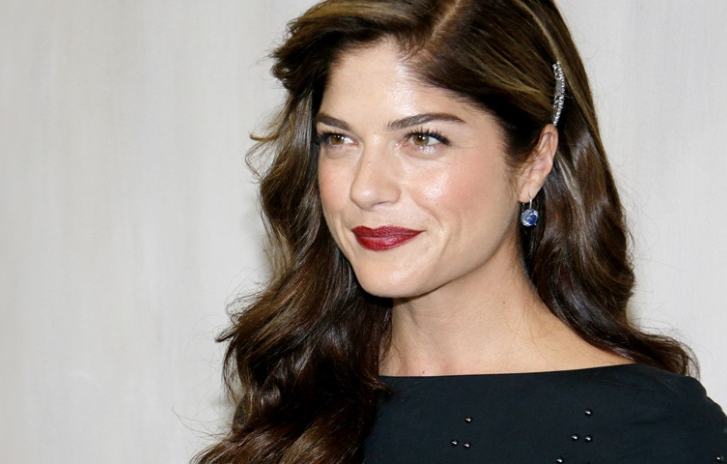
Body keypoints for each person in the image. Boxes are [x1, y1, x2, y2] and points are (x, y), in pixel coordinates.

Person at [195, 0, 727, 463]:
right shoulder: (295, 400)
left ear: (534, 162)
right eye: (339, 139)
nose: (365, 188)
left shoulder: (657, 430)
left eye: (423, 138)